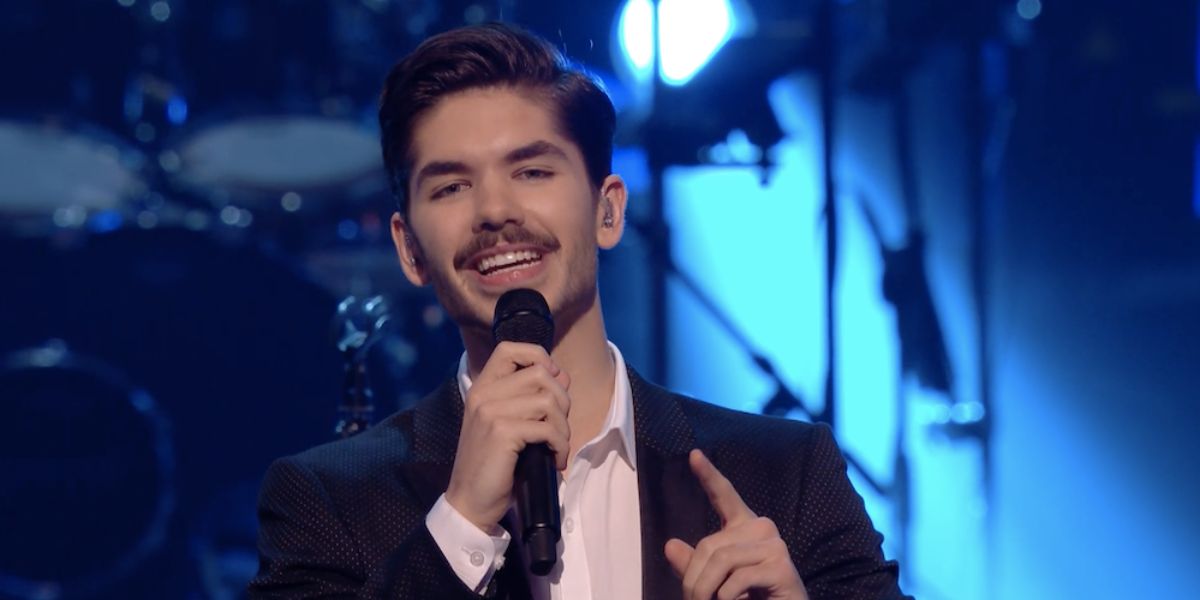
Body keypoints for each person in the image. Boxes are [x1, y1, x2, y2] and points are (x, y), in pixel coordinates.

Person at [249, 23, 909, 600]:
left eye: (533, 172)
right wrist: (461, 525)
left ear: (608, 209)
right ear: (409, 248)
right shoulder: (329, 500)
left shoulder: (785, 473)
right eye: (451, 186)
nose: (495, 211)